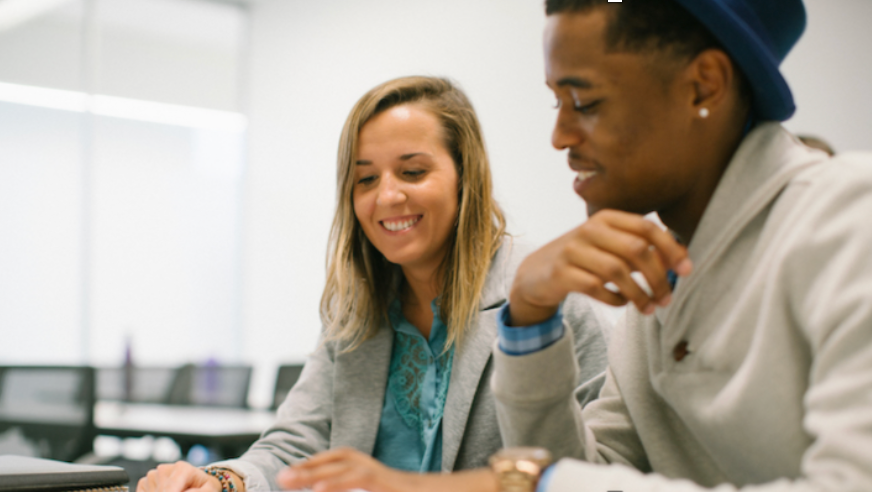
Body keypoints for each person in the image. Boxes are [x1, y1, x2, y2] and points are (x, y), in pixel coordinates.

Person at [282, 1, 872, 492]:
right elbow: (598, 473)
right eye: (556, 103)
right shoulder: (662, 286)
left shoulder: (849, 213)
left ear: (703, 85)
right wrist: (531, 322)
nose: (560, 136)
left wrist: (517, 481)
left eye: (584, 102)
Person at [136, 76, 610, 492]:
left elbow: (585, 477)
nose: (386, 196)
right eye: (365, 179)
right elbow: (295, 447)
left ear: (466, 176)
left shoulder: (549, 304)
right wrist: (222, 481)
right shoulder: (357, 311)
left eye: (413, 172)